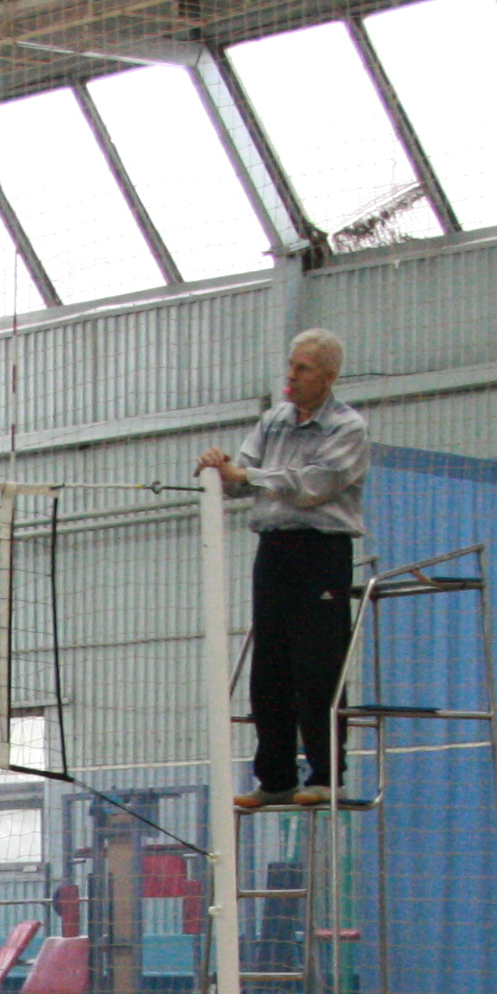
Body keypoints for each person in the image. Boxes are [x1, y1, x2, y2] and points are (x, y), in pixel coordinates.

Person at [196, 328, 369, 805]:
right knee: (269, 664)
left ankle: (325, 774)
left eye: (303, 368)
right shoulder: (273, 421)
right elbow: (239, 475)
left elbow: (314, 484)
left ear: (328, 376)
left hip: (321, 552)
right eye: (291, 365)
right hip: (273, 550)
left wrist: (246, 474)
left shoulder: (348, 428)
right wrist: (218, 464)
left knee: (317, 664)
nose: (291, 376)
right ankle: (274, 778)